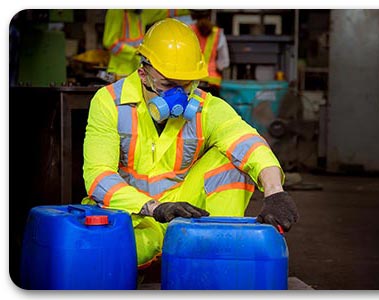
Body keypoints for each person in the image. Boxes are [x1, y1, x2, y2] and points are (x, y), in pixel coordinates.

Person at [82, 18, 299, 269]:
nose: (179, 96)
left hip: (183, 215)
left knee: (234, 162)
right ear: (143, 74)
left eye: (185, 85)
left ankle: (215, 251)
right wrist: (154, 208)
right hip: (132, 217)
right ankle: (166, 252)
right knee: (103, 259)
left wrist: (274, 191)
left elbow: (248, 142)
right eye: (167, 85)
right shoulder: (109, 102)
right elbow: (98, 176)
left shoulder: (204, 107)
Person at [102, 9, 190, 80]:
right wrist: (136, 53)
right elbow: (110, 43)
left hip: (136, 70)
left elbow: (166, 11)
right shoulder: (116, 11)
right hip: (120, 71)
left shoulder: (140, 12)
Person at [189, 9, 230, 97]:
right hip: (212, 84)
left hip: (192, 81)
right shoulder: (218, 33)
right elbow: (224, 63)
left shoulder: (189, 31)